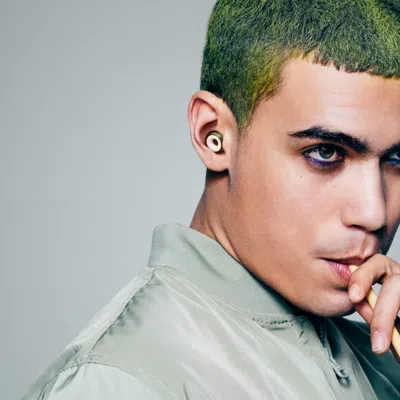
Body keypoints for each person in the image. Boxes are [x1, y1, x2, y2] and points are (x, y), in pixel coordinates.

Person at [23, 0, 400, 399]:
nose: (374, 213)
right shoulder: (120, 380)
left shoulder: (384, 360)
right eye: (325, 152)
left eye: (397, 160)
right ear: (213, 135)